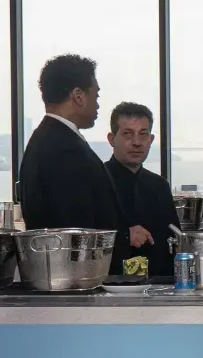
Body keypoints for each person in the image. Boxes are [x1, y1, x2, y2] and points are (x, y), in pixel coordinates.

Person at [17, 54, 124, 233]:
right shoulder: (65, 149)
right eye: (96, 95)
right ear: (78, 96)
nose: (97, 105)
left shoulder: (44, 139)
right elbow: (75, 228)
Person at [104, 103, 178, 277]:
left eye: (143, 135)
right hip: (109, 287)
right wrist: (123, 236)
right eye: (128, 134)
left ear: (151, 140)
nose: (137, 142)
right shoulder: (96, 181)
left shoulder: (160, 185)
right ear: (111, 139)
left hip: (159, 289)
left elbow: (174, 242)